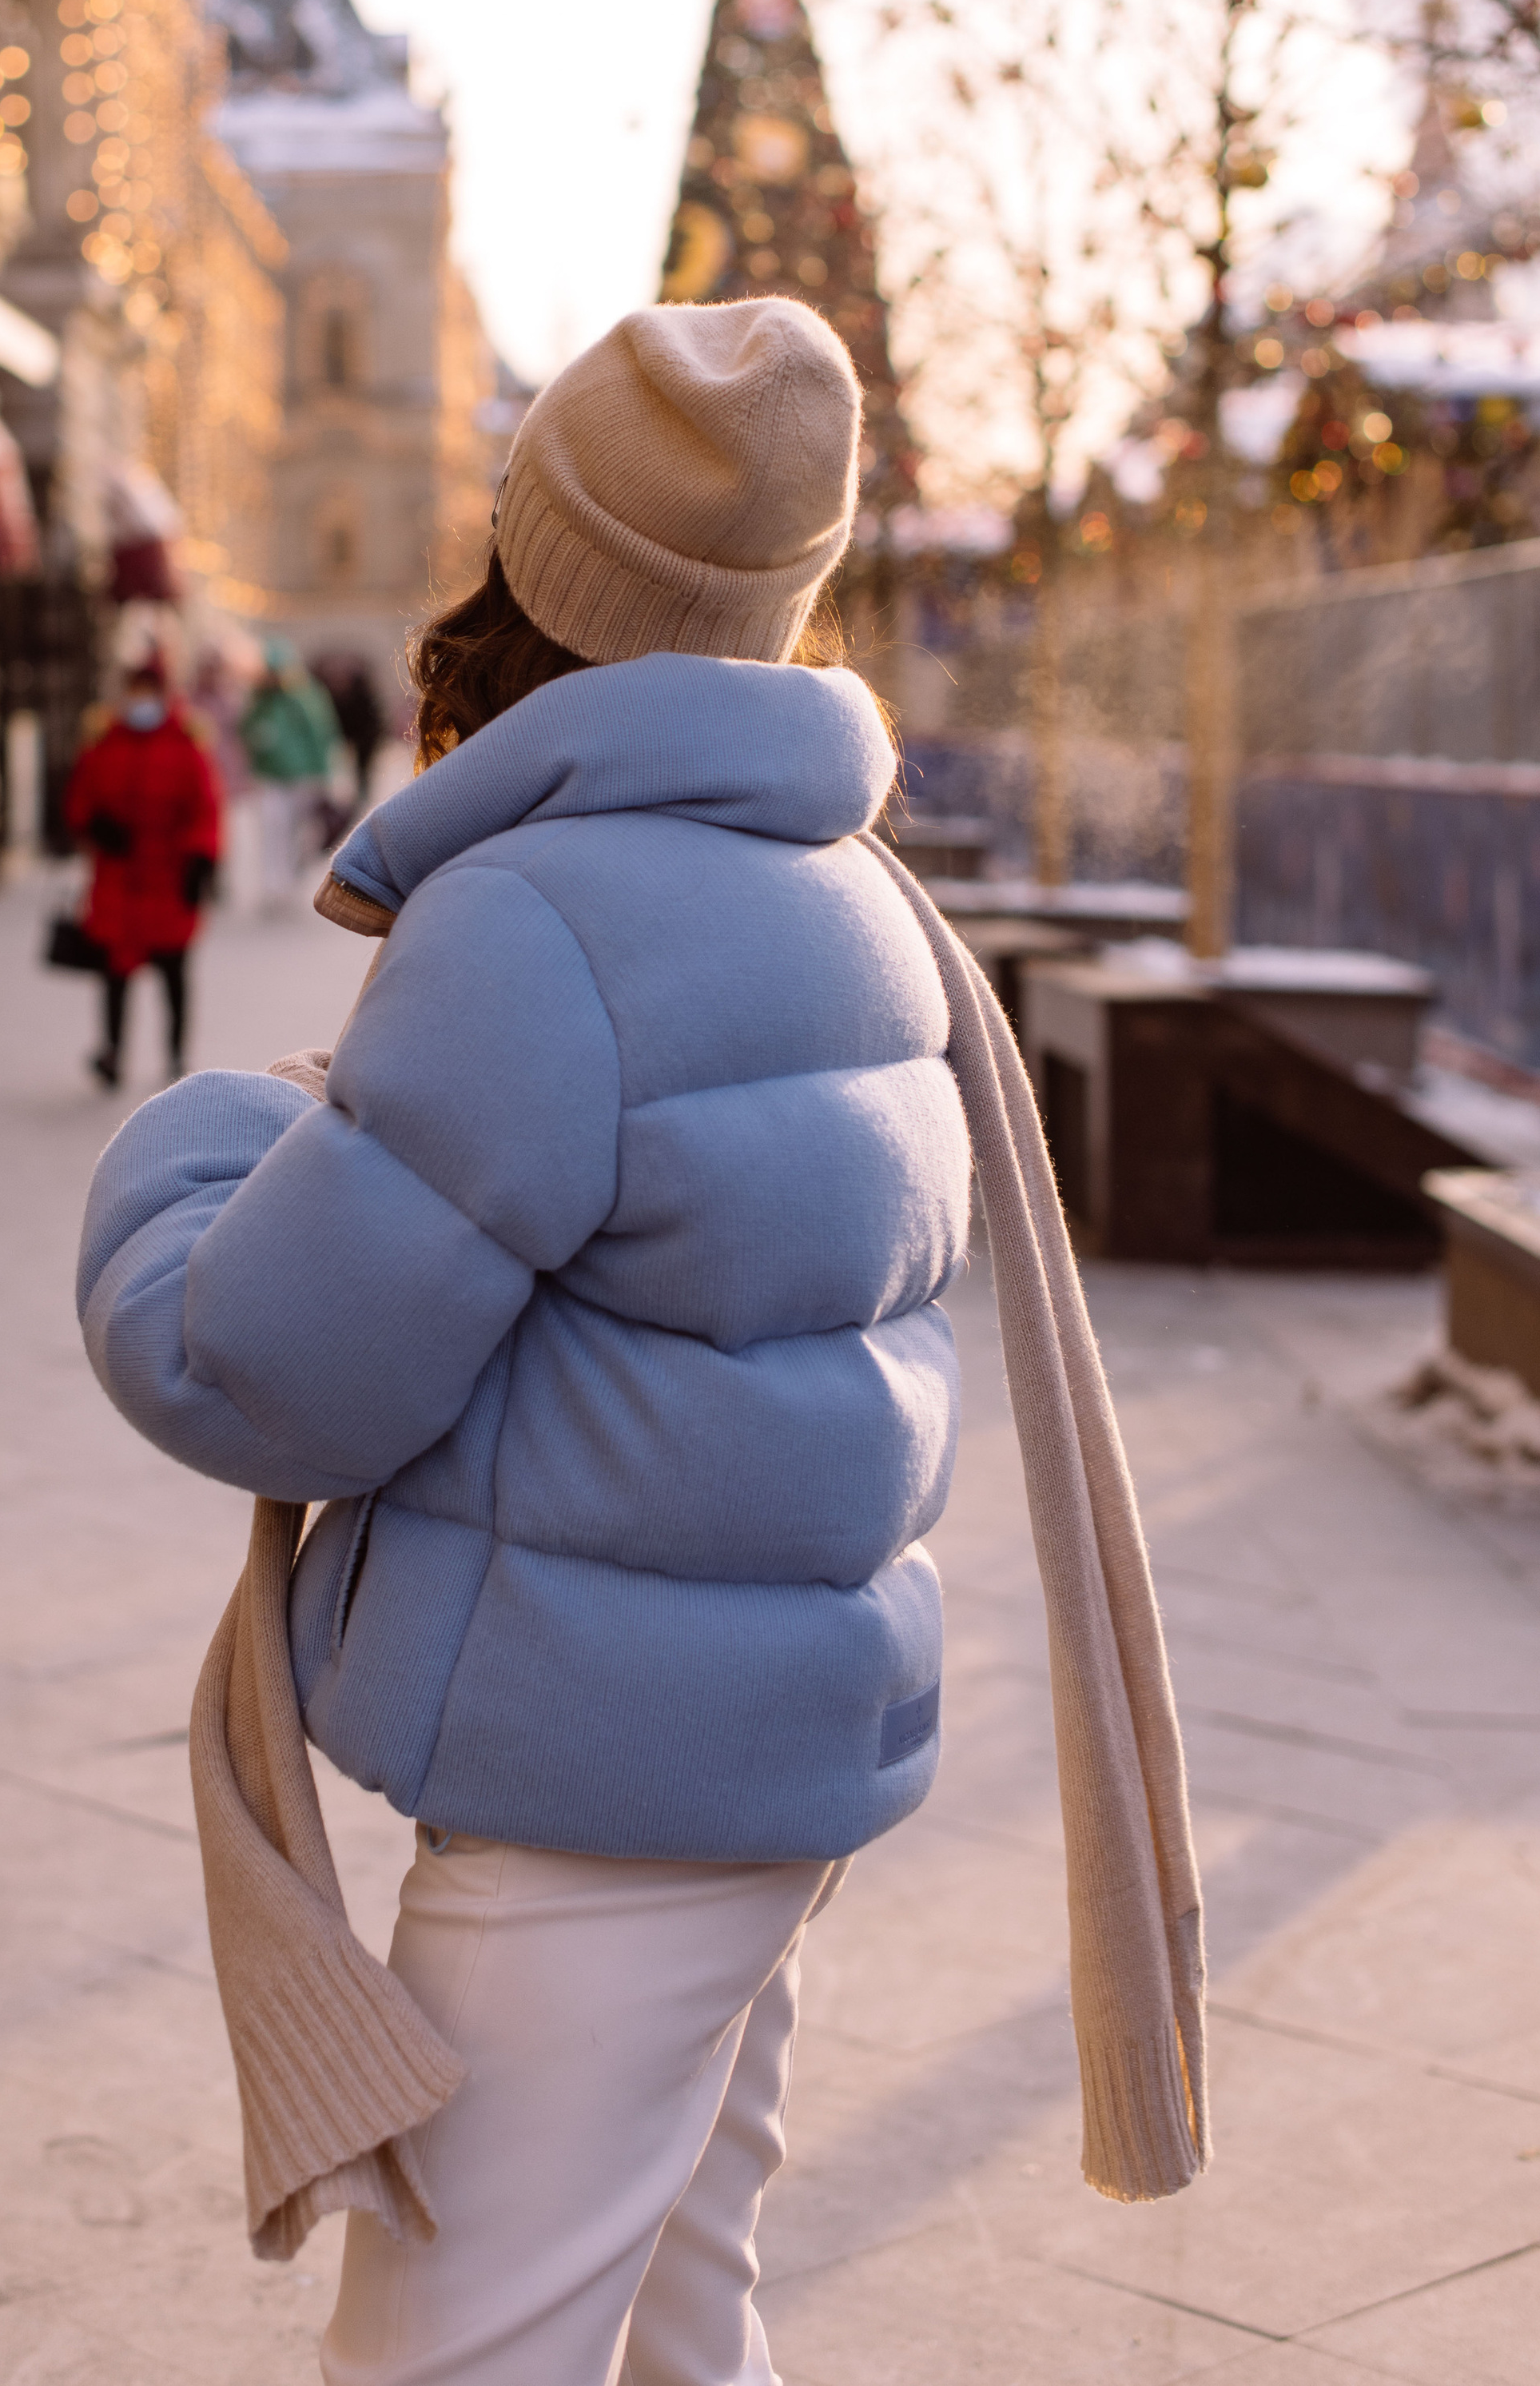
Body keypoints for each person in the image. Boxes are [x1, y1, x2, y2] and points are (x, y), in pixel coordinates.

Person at [77, 302, 1206, 2385]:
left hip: (594, 1786)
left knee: (458, 2350)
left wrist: (201, 1143)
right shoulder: (854, 888)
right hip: (772, 1756)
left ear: (537, 565)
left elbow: (259, 1367)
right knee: (688, 2317)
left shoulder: (542, 920)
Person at [66, 651, 221, 1091]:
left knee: (173, 970)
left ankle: (175, 1054)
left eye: (147, 691)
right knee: (114, 972)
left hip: (169, 878)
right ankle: (112, 1052)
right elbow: (80, 797)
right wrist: (94, 824)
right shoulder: (103, 740)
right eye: (134, 691)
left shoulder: (188, 741)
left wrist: (201, 860)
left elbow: (205, 808)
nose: (140, 700)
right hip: (118, 880)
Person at [237, 642, 340, 911]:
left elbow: (320, 736)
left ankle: (291, 880)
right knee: (273, 829)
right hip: (270, 775)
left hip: (302, 776)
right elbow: (245, 730)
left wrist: (323, 774)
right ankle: (274, 886)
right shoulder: (259, 700)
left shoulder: (305, 697)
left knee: (299, 833)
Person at [311, 651, 386, 805]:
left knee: (363, 768)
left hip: (364, 735)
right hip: (344, 733)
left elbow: (373, 721)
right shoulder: (327, 694)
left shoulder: (362, 694)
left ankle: (363, 794)